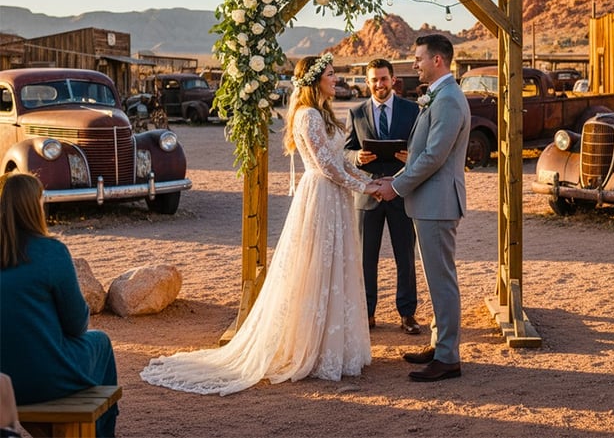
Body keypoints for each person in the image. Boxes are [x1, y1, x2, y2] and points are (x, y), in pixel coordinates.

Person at [141, 53, 381, 395]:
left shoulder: (323, 113)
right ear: (314, 81)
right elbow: (325, 166)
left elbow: (337, 159)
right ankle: (309, 348)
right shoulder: (308, 116)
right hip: (321, 197)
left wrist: (362, 171)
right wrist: (366, 186)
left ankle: (333, 346)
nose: (335, 79)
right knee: (314, 269)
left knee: (333, 267)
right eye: (329, 74)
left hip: (334, 196)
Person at [377, 34, 470, 382]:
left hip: (438, 203)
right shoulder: (441, 96)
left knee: (442, 280)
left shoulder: (447, 100)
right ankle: (439, 344)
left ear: (438, 61)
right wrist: (395, 181)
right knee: (435, 279)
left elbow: (433, 157)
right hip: (430, 202)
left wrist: (395, 186)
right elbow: (421, 155)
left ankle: (448, 358)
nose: (414, 64)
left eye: (418, 58)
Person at [0, 173, 118, 438]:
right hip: (44, 378)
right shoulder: (51, 252)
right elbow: (77, 325)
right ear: (34, 206)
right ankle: (101, 433)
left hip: (3, 381)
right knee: (101, 343)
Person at [344, 58, 421, 335]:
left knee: (405, 257)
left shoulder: (412, 111)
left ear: (393, 79)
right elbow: (345, 151)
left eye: (384, 79)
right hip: (368, 198)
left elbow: (421, 149)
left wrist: (411, 156)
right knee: (366, 259)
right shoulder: (356, 113)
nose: (380, 84)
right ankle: (367, 313)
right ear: (367, 82)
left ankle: (408, 314)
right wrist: (356, 156)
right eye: (374, 79)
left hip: (402, 194)